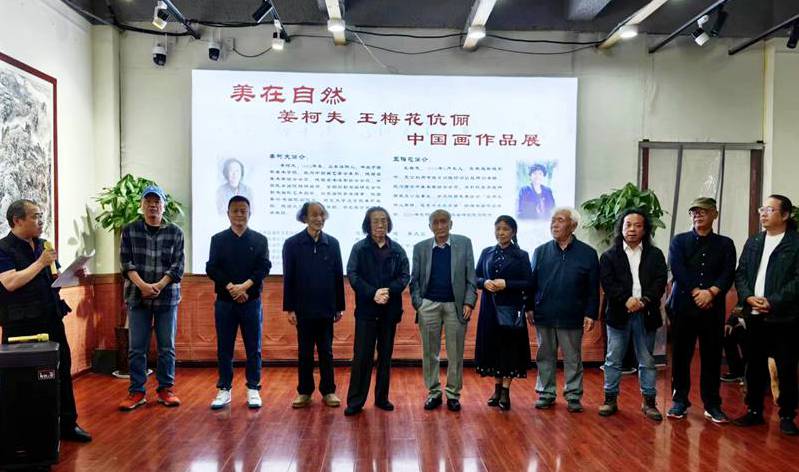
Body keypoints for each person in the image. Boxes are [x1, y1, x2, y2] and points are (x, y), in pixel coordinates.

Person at [0, 199, 91, 442]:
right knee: (23, 378)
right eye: (35, 216)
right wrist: (40, 262)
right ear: (17, 220)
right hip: (21, 325)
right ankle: (25, 433)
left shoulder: (43, 245)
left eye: (41, 216)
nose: (41, 221)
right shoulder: (3, 248)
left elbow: (54, 279)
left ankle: (68, 424)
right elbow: (10, 282)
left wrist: (74, 275)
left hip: (51, 318)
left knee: (61, 369)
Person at [732, 194, 799, 435]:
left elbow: (797, 280)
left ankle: (787, 415)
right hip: (754, 314)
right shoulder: (754, 241)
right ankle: (754, 411)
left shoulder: (795, 243)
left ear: (785, 215)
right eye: (762, 208)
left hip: (784, 317)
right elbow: (740, 273)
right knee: (754, 364)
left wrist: (773, 301)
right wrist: (748, 297)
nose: (763, 213)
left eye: (770, 209)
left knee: (786, 366)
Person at [666, 197, 737, 423]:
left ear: (715, 214)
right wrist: (697, 292)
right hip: (683, 307)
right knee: (681, 356)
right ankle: (679, 401)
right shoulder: (679, 241)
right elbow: (678, 269)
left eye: (703, 211)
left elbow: (728, 272)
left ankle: (712, 404)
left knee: (712, 357)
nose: (697, 215)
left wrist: (712, 292)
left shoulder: (725, 244)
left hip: (712, 308)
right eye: (694, 212)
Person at [118, 185, 185, 411]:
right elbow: (126, 263)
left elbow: (177, 266)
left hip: (167, 298)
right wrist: (143, 286)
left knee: (167, 347)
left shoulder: (175, 232)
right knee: (137, 348)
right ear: (141, 205)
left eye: (157, 202)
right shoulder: (129, 230)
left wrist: (158, 285)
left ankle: (166, 389)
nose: (152, 206)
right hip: (137, 297)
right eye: (148, 201)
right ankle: (137, 392)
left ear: (164, 206)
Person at [598, 209, 667, 421]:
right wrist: (626, 299)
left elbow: (660, 282)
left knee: (646, 360)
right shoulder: (609, 255)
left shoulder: (655, 255)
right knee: (613, 359)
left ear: (645, 230)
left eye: (638, 225)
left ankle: (649, 402)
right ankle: (610, 399)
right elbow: (608, 283)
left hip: (646, 313)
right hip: (619, 313)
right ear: (621, 228)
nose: (632, 229)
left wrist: (644, 300)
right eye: (628, 225)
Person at [529, 207, 599, 413]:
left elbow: (593, 288)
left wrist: (590, 313)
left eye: (560, 220)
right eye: (553, 220)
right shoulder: (541, 251)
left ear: (573, 226)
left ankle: (573, 395)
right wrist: (529, 307)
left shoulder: (588, 253)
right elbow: (532, 284)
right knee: (545, 356)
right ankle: (546, 393)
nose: (554, 224)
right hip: (544, 314)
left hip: (572, 314)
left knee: (572, 358)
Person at [206, 196, 270, 410]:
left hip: (251, 301)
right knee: (225, 347)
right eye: (235, 210)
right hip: (225, 302)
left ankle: (253, 388)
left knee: (254, 347)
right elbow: (212, 268)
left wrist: (244, 287)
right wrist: (231, 287)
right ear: (228, 214)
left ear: (250, 213)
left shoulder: (260, 240)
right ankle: (224, 389)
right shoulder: (218, 239)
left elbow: (263, 267)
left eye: (244, 211)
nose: (240, 214)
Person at [344, 207, 410, 416]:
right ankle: (356, 401)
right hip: (366, 311)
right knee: (362, 356)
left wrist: (388, 291)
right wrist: (373, 293)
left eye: (384, 220)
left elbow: (405, 275)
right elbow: (353, 275)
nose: (380, 225)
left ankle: (382, 398)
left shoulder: (398, 250)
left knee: (385, 356)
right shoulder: (359, 249)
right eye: (376, 221)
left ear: (388, 223)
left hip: (389, 311)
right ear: (368, 225)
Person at [410, 209, 477, 412]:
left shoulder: (464, 243)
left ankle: (453, 394)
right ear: (430, 226)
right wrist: (419, 304)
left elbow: (471, 278)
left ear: (451, 224)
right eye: (436, 222)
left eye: (444, 222)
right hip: (429, 305)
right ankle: (434, 392)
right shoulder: (420, 247)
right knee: (430, 352)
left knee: (455, 353)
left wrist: (469, 302)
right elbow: (414, 280)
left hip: (455, 306)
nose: (440, 226)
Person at [283, 201, 345, 409]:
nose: (319, 219)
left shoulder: (333, 243)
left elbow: (338, 276)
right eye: (314, 215)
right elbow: (289, 278)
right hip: (303, 308)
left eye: (321, 215)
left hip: (326, 307)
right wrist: (290, 308)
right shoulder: (292, 244)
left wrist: (339, 306)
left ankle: (328, 390)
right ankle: (304, 392)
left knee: (326, 351)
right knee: (305, 352)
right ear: (304, 218)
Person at [474, 215, 533, 411]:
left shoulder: (521, 255)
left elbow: (528, 283)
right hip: (489, 308)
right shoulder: (487, 252)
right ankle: (497, 389)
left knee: (509, 349)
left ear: (513, 232)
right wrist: (484, 282)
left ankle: (506, 391)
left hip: (511, 308)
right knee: (493, 348)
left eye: (505, 229)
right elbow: (475, 276)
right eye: (498, 228)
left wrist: (506, 284)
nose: (501, 232)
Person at [721, 307, 746, 384]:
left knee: (747, 339)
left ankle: (747, 372)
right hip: (745, 323)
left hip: (761, 324)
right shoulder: (744, 298)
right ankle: (736, 371)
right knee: (728, 333)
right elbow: (739, 306)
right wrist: (730, 322)